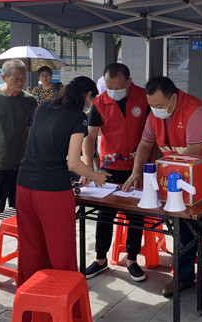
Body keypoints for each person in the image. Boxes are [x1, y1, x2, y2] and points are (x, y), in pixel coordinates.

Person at [123, 76, 202, 308]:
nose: (155, 109)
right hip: (176, 180)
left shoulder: (195, 112)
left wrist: (165, 177)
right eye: (152, 105)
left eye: (159, 105)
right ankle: (183, 277)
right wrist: (136, 172)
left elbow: (191, 155)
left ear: (173, 98)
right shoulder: (155, 115)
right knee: (183, 231)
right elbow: (145, 144)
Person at [16, 76, 109, 285]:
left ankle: (30, 299)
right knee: (61, 250)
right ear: (88, 95)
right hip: (52, 191)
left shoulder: (43, 107)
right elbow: (73, 163)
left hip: (24, 184)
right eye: (91, 99)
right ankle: (64, 299)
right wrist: (96, 176)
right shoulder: (78, 116)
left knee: (30, 249)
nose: (90, 103)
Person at [82, 63, 149, 282]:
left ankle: (132, 259)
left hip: (138, 167)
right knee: (105, 213)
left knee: (136, 215)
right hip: (110, 166)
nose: (113, 91)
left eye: (118, 87)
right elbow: (90, 138)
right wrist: (89, 168)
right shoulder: (100, 102)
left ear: (129, 81)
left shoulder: (143, 97)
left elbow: (153, 134)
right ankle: (101, 258)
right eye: (109, 87)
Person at [0, 59, 37, 272]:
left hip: (22, 165)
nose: (20, 83)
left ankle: (26, 248)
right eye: (16, 79)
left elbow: (31, 132)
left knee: (24, 210)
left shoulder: (29, 101)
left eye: (23, 79)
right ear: (4, 78)